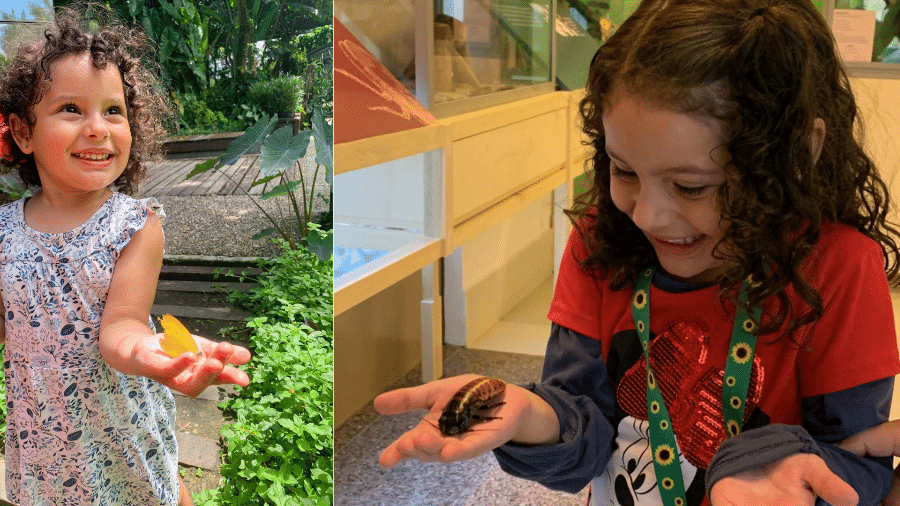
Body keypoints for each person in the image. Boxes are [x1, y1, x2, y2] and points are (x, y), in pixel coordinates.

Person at [374, 0, 900, 504]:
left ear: (794, 156)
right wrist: (533, 418)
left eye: (692, 186)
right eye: (622, 169)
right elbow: (583, 421)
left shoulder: (839, 269)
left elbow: (862, 461)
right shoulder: (600, 242)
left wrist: (801, 475)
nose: (646, 215)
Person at [0, 9, 251, 506]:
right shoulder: (4, 230)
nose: (98, 128)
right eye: (71, 108)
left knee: (150, 491)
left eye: (113, 111)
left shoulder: (135, 226)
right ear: (23, 133)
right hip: (43, 437)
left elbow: (123, 325)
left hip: (119, 426)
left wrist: (148, 354)